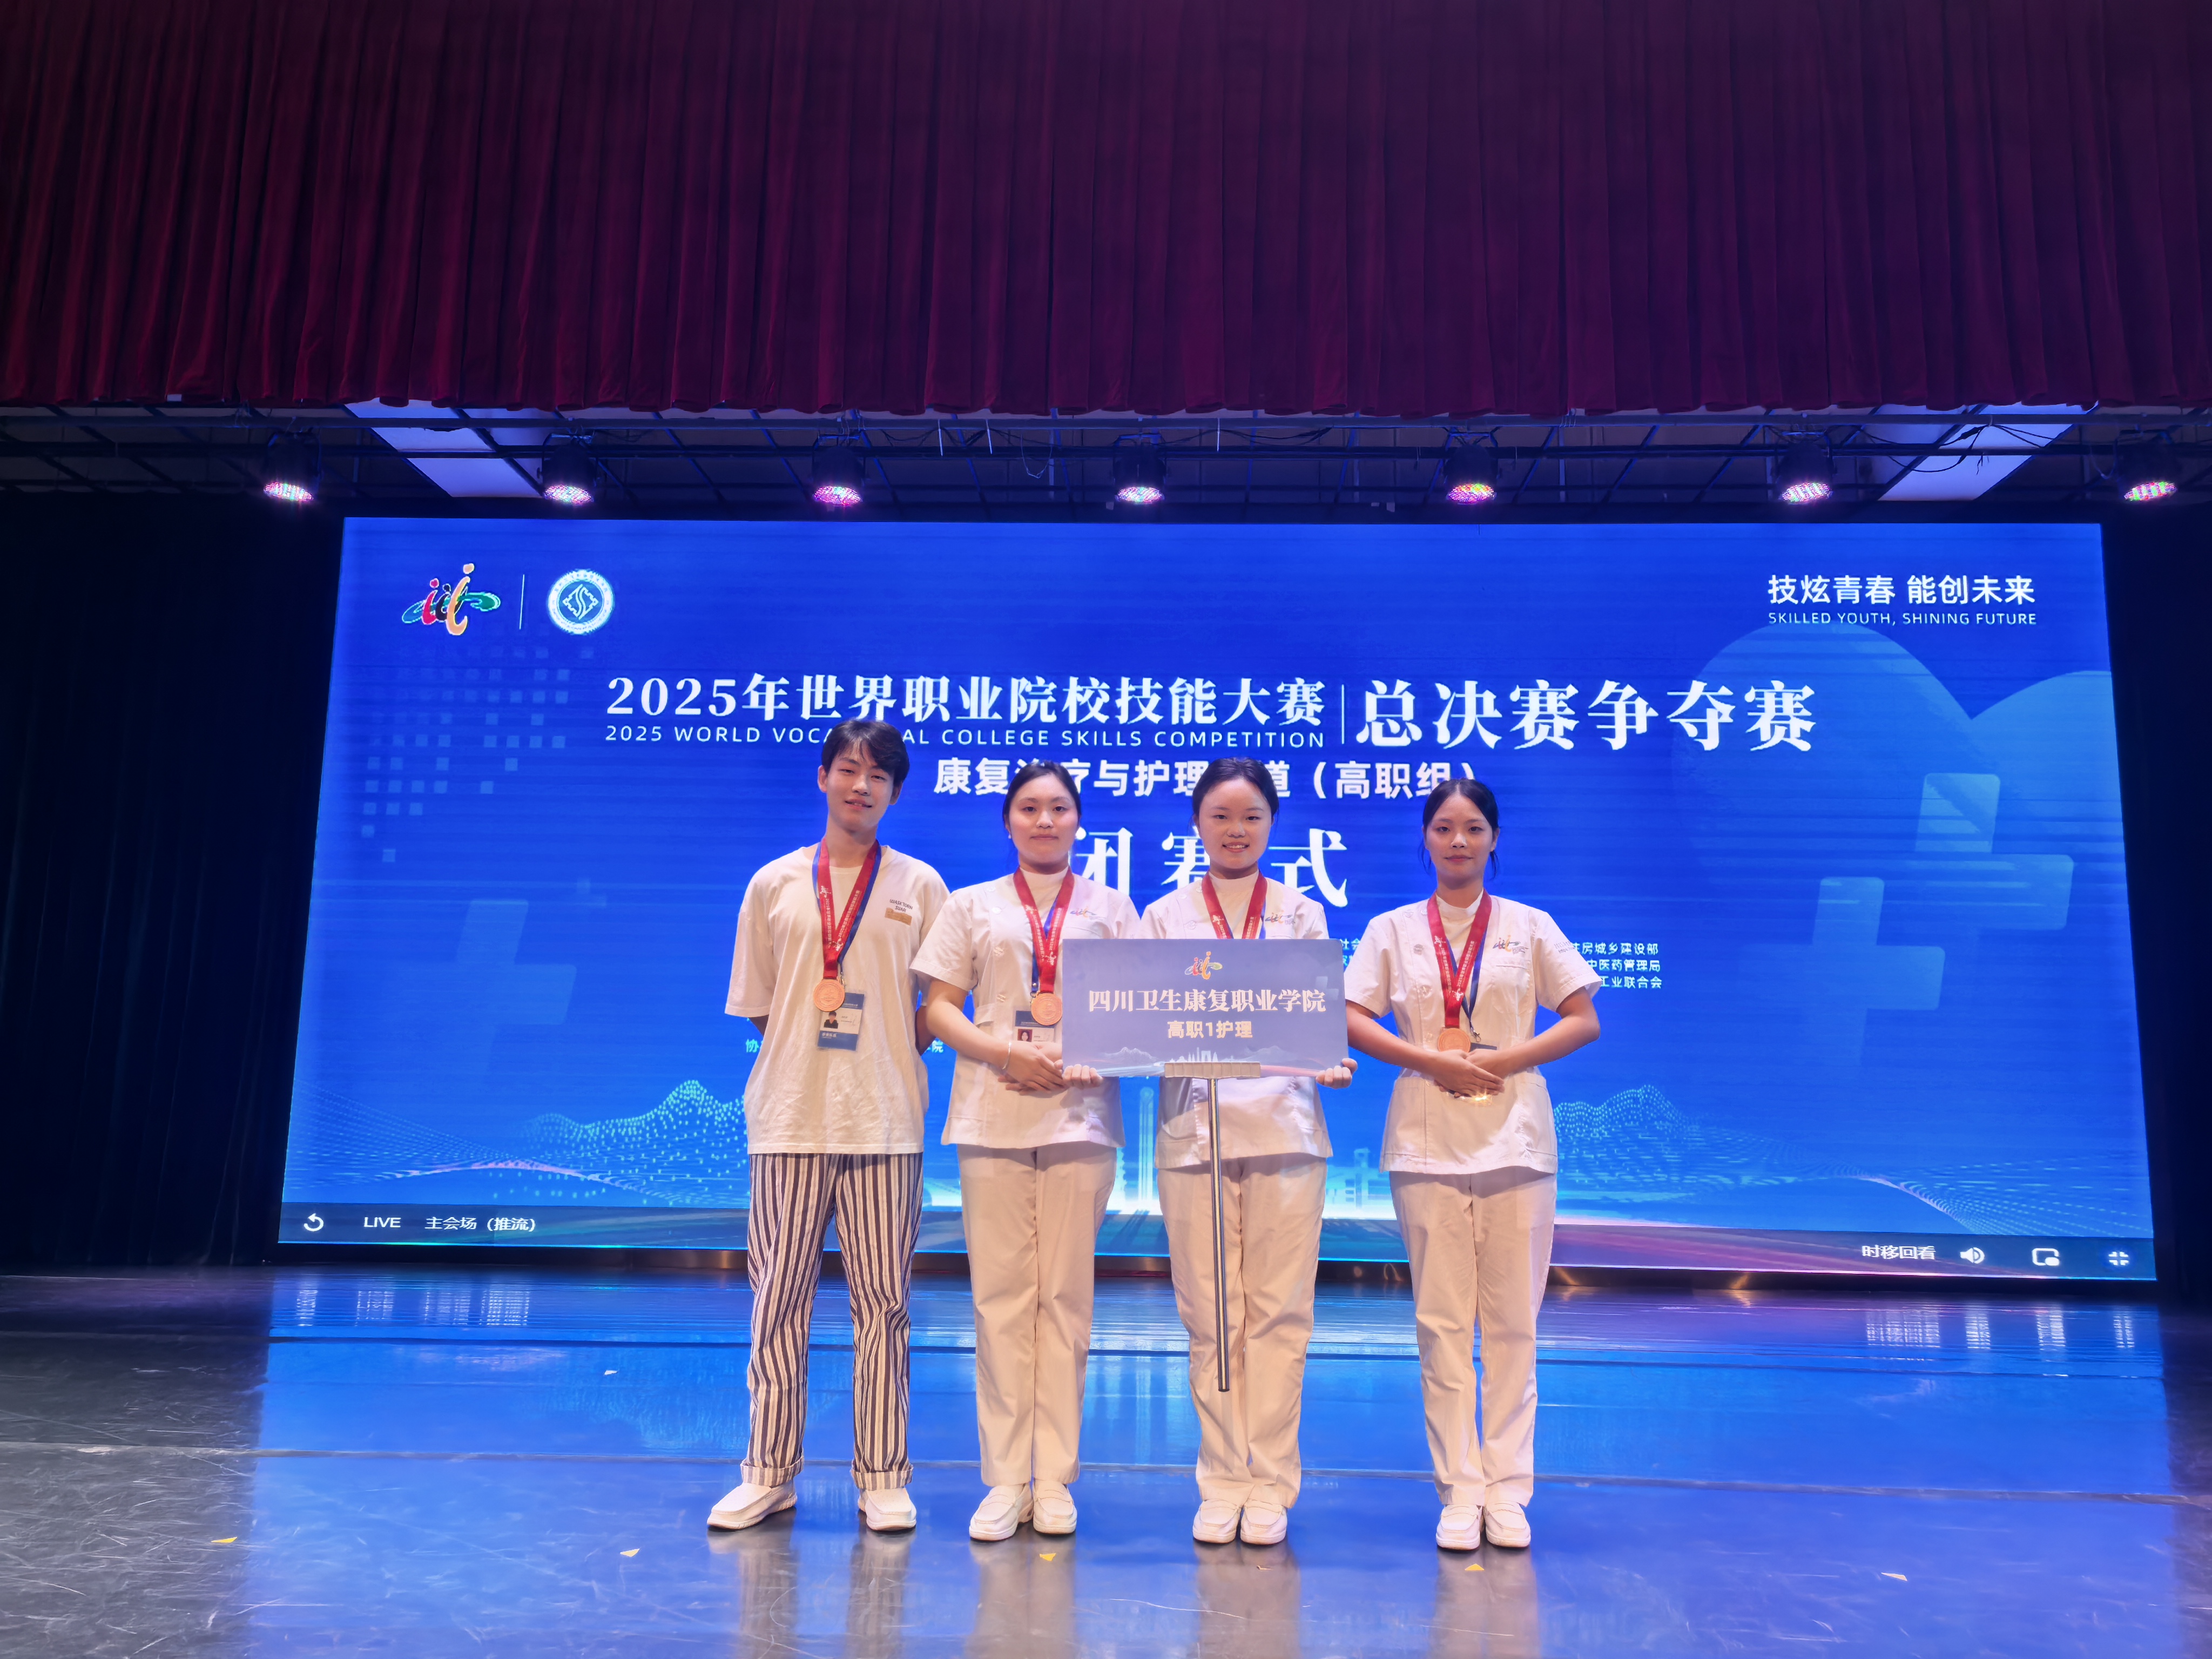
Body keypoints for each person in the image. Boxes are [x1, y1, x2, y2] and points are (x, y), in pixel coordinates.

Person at [1343, 778, 1600, 1552]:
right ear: (1426, 839)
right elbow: (1351, 1017)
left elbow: (1583, 1019)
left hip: (1517, 1138)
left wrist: (1501, 1061)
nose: (1458, 841)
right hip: (1425, 1139)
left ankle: (1509, 1489)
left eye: (1474, 828)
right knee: (1442, 1322)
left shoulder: (1529, 925)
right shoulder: (1391, 929)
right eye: (1444, 828)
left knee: (1514, 1322)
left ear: (1494, 839)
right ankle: (1459, 1489)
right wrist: (1432, 1061)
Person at [709, 719, 949, 1535]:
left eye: (879, 776)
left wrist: (883, 1047)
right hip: (789, 1118)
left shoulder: (921, 886)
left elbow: (938, 1006)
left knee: (884, 1305)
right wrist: (810, 1050)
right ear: (823, 778)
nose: (861, 786)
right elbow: (762, 1006)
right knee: (778, 1299)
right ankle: (768, 1472)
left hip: (886, 1123)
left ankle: (883, 1476)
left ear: (896, 793)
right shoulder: (774, 883)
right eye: (848, 769)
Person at [913, 761, 1138, 1543]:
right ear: (1008, 821)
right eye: (1030, 808)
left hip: (1080, 1116)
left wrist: (1089, 1053)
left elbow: (1138, 1012)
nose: (1045, 821)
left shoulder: (1112, 908)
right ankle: (1007, 1478)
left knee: (1065, 1298)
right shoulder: (970, 905)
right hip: (992, 1114)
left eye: (1059, 808)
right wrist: (1006, 1053)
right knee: (1001, 1299)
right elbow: (939, 1009)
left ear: (1079, 820)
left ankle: (1055, 1478)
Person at [1139, 756, 1355, 1549]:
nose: (1236, 831)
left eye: (1252, 817)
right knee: (1209, 1314)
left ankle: (1269, 1482)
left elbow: (1318, 1020)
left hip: (1286, 1131)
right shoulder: (1162, 918)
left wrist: (1329, 1060)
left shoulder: (1300, 915)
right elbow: (1140, 1023)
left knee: (1280, 1313)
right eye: (1222, 817)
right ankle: (1221, 1477)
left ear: (1272, 825)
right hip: (1195, 1134)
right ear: (1198, 824)